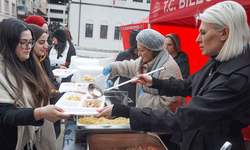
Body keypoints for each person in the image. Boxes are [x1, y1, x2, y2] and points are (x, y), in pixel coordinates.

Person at [95, 1, 250, 149]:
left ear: (224, 33)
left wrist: (125, 112)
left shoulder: (238, 78)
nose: (197, 39)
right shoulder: (218, 61)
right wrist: (155, 83)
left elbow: (184, 118)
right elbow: (189, 84)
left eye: (202, 32)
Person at [0, 19, 73, 150]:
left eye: (31, 42)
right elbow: (5, 113)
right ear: (8, 43)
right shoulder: (3, 70)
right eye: (23, 43)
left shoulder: (27, 62)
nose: (29, 47)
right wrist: (40, 113)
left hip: (30, 140)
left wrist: (73, 96)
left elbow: (42, 95)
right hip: (10, 142)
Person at [102, 29, 185, 112]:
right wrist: (113, 68)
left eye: (141, 50)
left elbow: (169, 105)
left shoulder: (168, 68)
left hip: (162, 122)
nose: (138, 54)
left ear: (152, 49)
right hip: (146, 116)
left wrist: (144, 99)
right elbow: (130, 67)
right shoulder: (146, 60)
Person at [106, 30, 140, 106]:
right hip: (124, 91)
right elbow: (114, 73)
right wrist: (110, 80)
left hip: (138, 91)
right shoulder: (123, 55)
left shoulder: (144, 56)